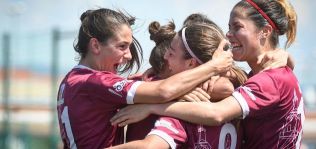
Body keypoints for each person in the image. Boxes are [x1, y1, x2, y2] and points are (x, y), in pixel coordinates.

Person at [110, 0, 304, 148]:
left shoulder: (268, 80)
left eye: (237, 27)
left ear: (265, 31)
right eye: (228, 27)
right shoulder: (252, 78)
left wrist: (153, 106)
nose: (229, 34)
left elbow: (216, 114)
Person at [56, 8, 233, 149]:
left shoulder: (72, 80)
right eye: (122, 46)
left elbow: (223, 87)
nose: (127, 55)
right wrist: (214, 66)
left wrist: (157, 88)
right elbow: (163, 91)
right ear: (95, 45)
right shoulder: (94, 82)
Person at [109, 22, 248, 148]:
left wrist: (154, 104)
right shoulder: (237, 95)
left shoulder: (183, 112)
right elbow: (226, 86)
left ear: (191, 63)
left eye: (171, 53)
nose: (165, 57)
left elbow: (150, 146)